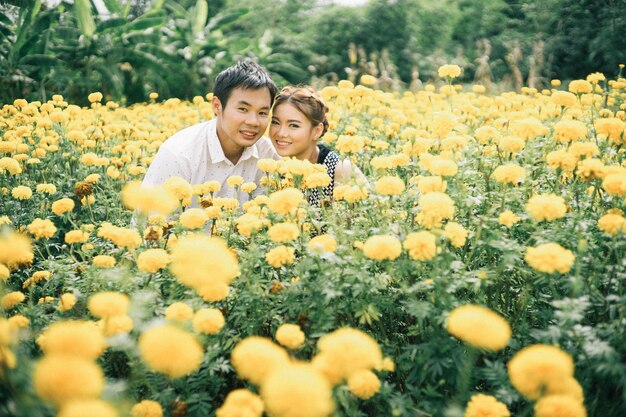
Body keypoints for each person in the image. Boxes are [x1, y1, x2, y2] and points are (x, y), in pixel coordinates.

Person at [142, 60, 280, 205]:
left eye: (263, 113)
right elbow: (150, 222)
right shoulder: (179, 155)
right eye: (243, 109)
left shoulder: (267, 156)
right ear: (217, 106)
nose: (253, 121)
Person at [269, 86, 363, 206]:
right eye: (275, 122)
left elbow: (368, 215)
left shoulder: (339, 169)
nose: (281, 133)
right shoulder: (274, 169)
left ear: (317, 131)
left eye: (293, 125)